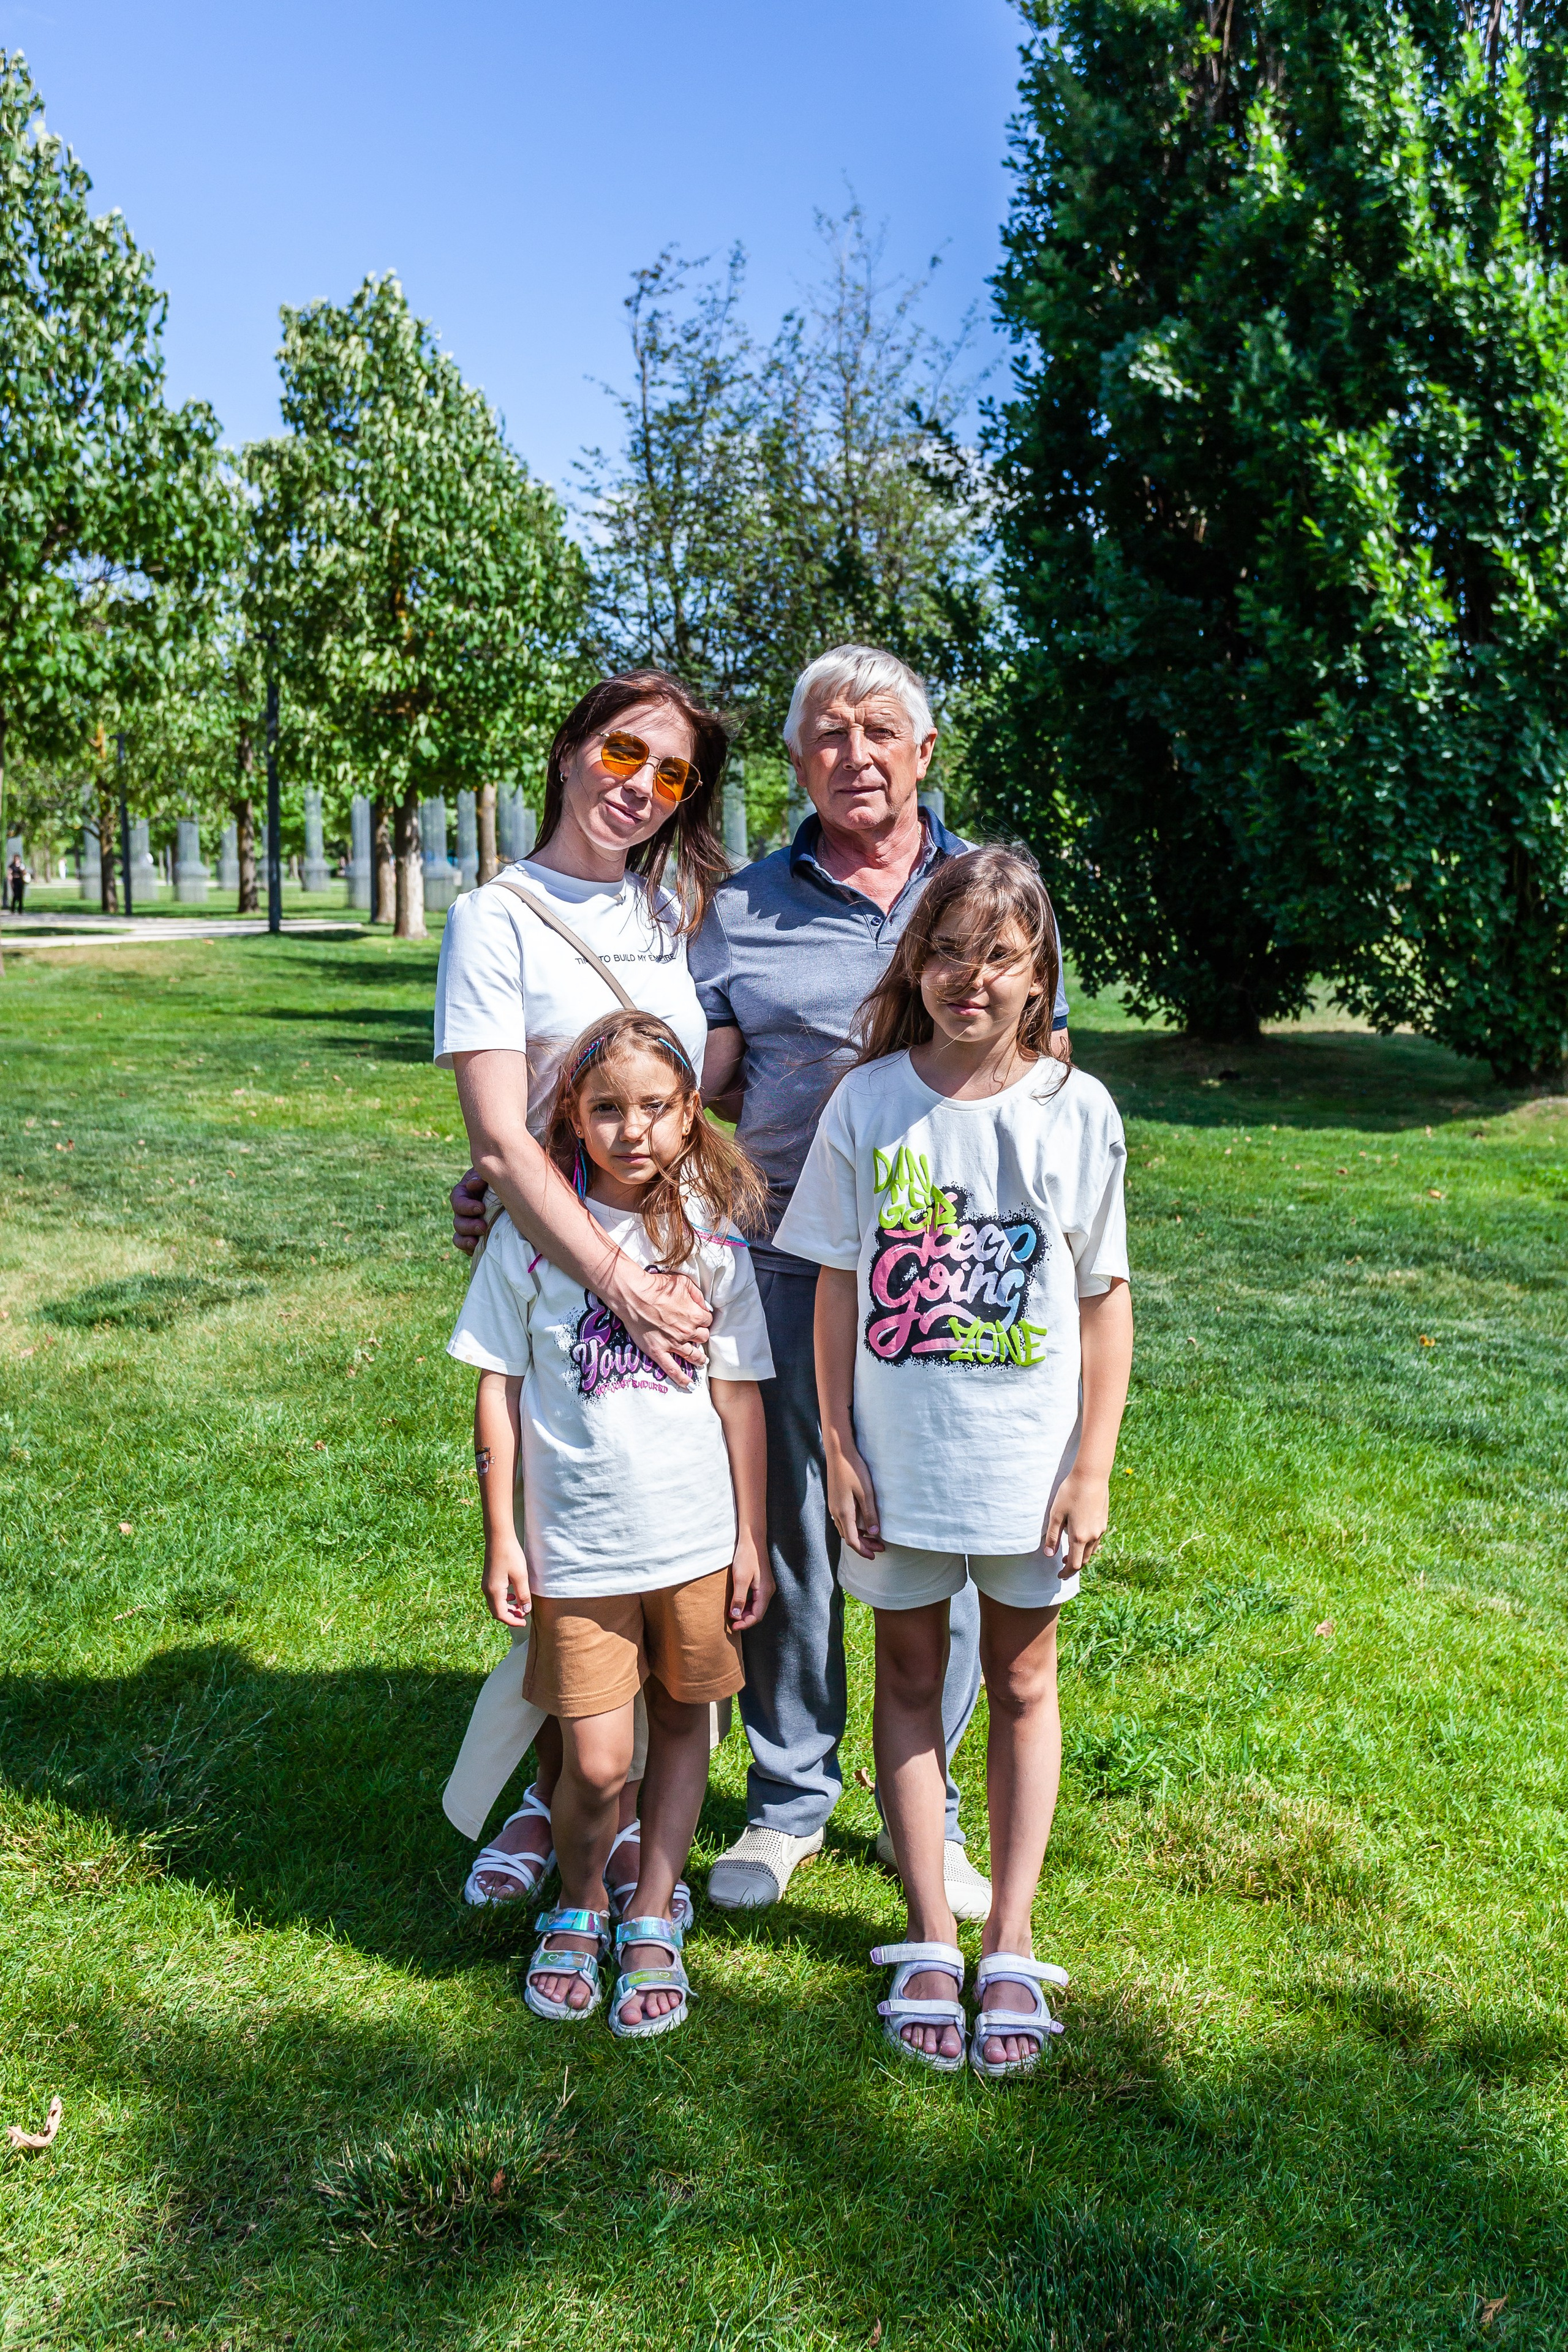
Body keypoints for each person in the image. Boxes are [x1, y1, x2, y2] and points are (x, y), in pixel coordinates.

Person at [690, 648, 1069, 1916]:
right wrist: (540, 1166)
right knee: (796, 1521)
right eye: (826, 737)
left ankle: (938, 1807)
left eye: (878, 732)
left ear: (922, 754)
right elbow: (696, 1088)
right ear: (798, 764)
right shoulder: (741, 910)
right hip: (790, 1259)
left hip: (952, 1264)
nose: (854, 755)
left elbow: (1043, 1065)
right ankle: (788, 1798)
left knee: (944, 1516)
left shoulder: (978, 896)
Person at [775, 846, 1131, 2079]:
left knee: (1023, 1685)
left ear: (1035, 974)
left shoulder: (1073, 1109)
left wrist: (1089, 1468)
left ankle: (1013, 1933)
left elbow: (1100, 1302)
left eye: (994, 955)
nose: (963, 977)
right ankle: (929, 1932)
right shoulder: (869, 1102)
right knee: (909, 1681)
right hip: (898, 1461)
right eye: (942, 950)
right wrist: (835, 1442)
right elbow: (830, 1281)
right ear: (911, 963)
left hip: (1025, 1469)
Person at [435, 669, 731, 1911]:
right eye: (622, 752)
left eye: (671, 774)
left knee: (647, 1541)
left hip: (670, 1263)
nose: (640, 788)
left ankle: (589, 1813)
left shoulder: (669, 919)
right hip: (565, 1278)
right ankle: (557, 1807)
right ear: (567, 751)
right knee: (566, 1556)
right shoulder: (494, 917)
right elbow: (505, 1139)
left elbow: (674, 1091)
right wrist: (615, 1278)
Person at [447, 1009, 775, 2035]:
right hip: (576, 1549)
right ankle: (580, 1896)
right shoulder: (532, 1242)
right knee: (595, 1760)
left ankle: (646, 1915)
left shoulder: (714, 1245)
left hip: (692, 1541)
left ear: (690, 1115)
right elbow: (496, 1390)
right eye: (605, 1109)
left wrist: (751, 1538)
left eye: (654, 1107)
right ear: (571, 1122)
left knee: (684, 1722)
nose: (632, 1130)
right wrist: (502, 1533)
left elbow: (740, 1399)